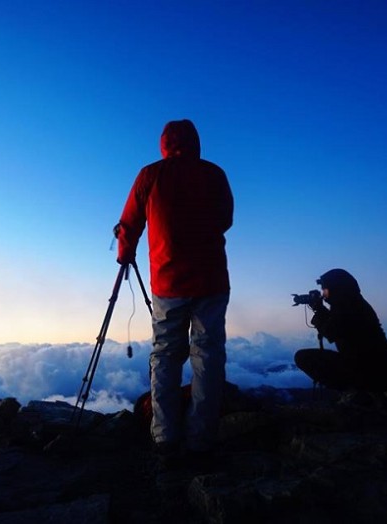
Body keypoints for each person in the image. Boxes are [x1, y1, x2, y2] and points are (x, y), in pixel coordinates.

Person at [115, 119, 234, 469]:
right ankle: (201, 439)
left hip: (168, 283)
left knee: (166, 355)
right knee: (208, 356)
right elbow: (225, 219)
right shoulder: (214, 174)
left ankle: (165, 437)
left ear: (164, 143)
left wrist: (125, 253)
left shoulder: (151, 175)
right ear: (196, 142)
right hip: (212, 280)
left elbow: (130, 222)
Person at [294, 269, 387, 399]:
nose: (323, 294)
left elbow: (332, 332)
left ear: (336, 288)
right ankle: (359, 392)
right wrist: (319, 309)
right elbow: (336, 324)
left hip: (370, 371)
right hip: (375, 368)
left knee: (302, 357)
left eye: (325, 290)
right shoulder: (351, 304)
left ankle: (357, 394)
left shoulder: (350, 307)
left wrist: (318, 310)